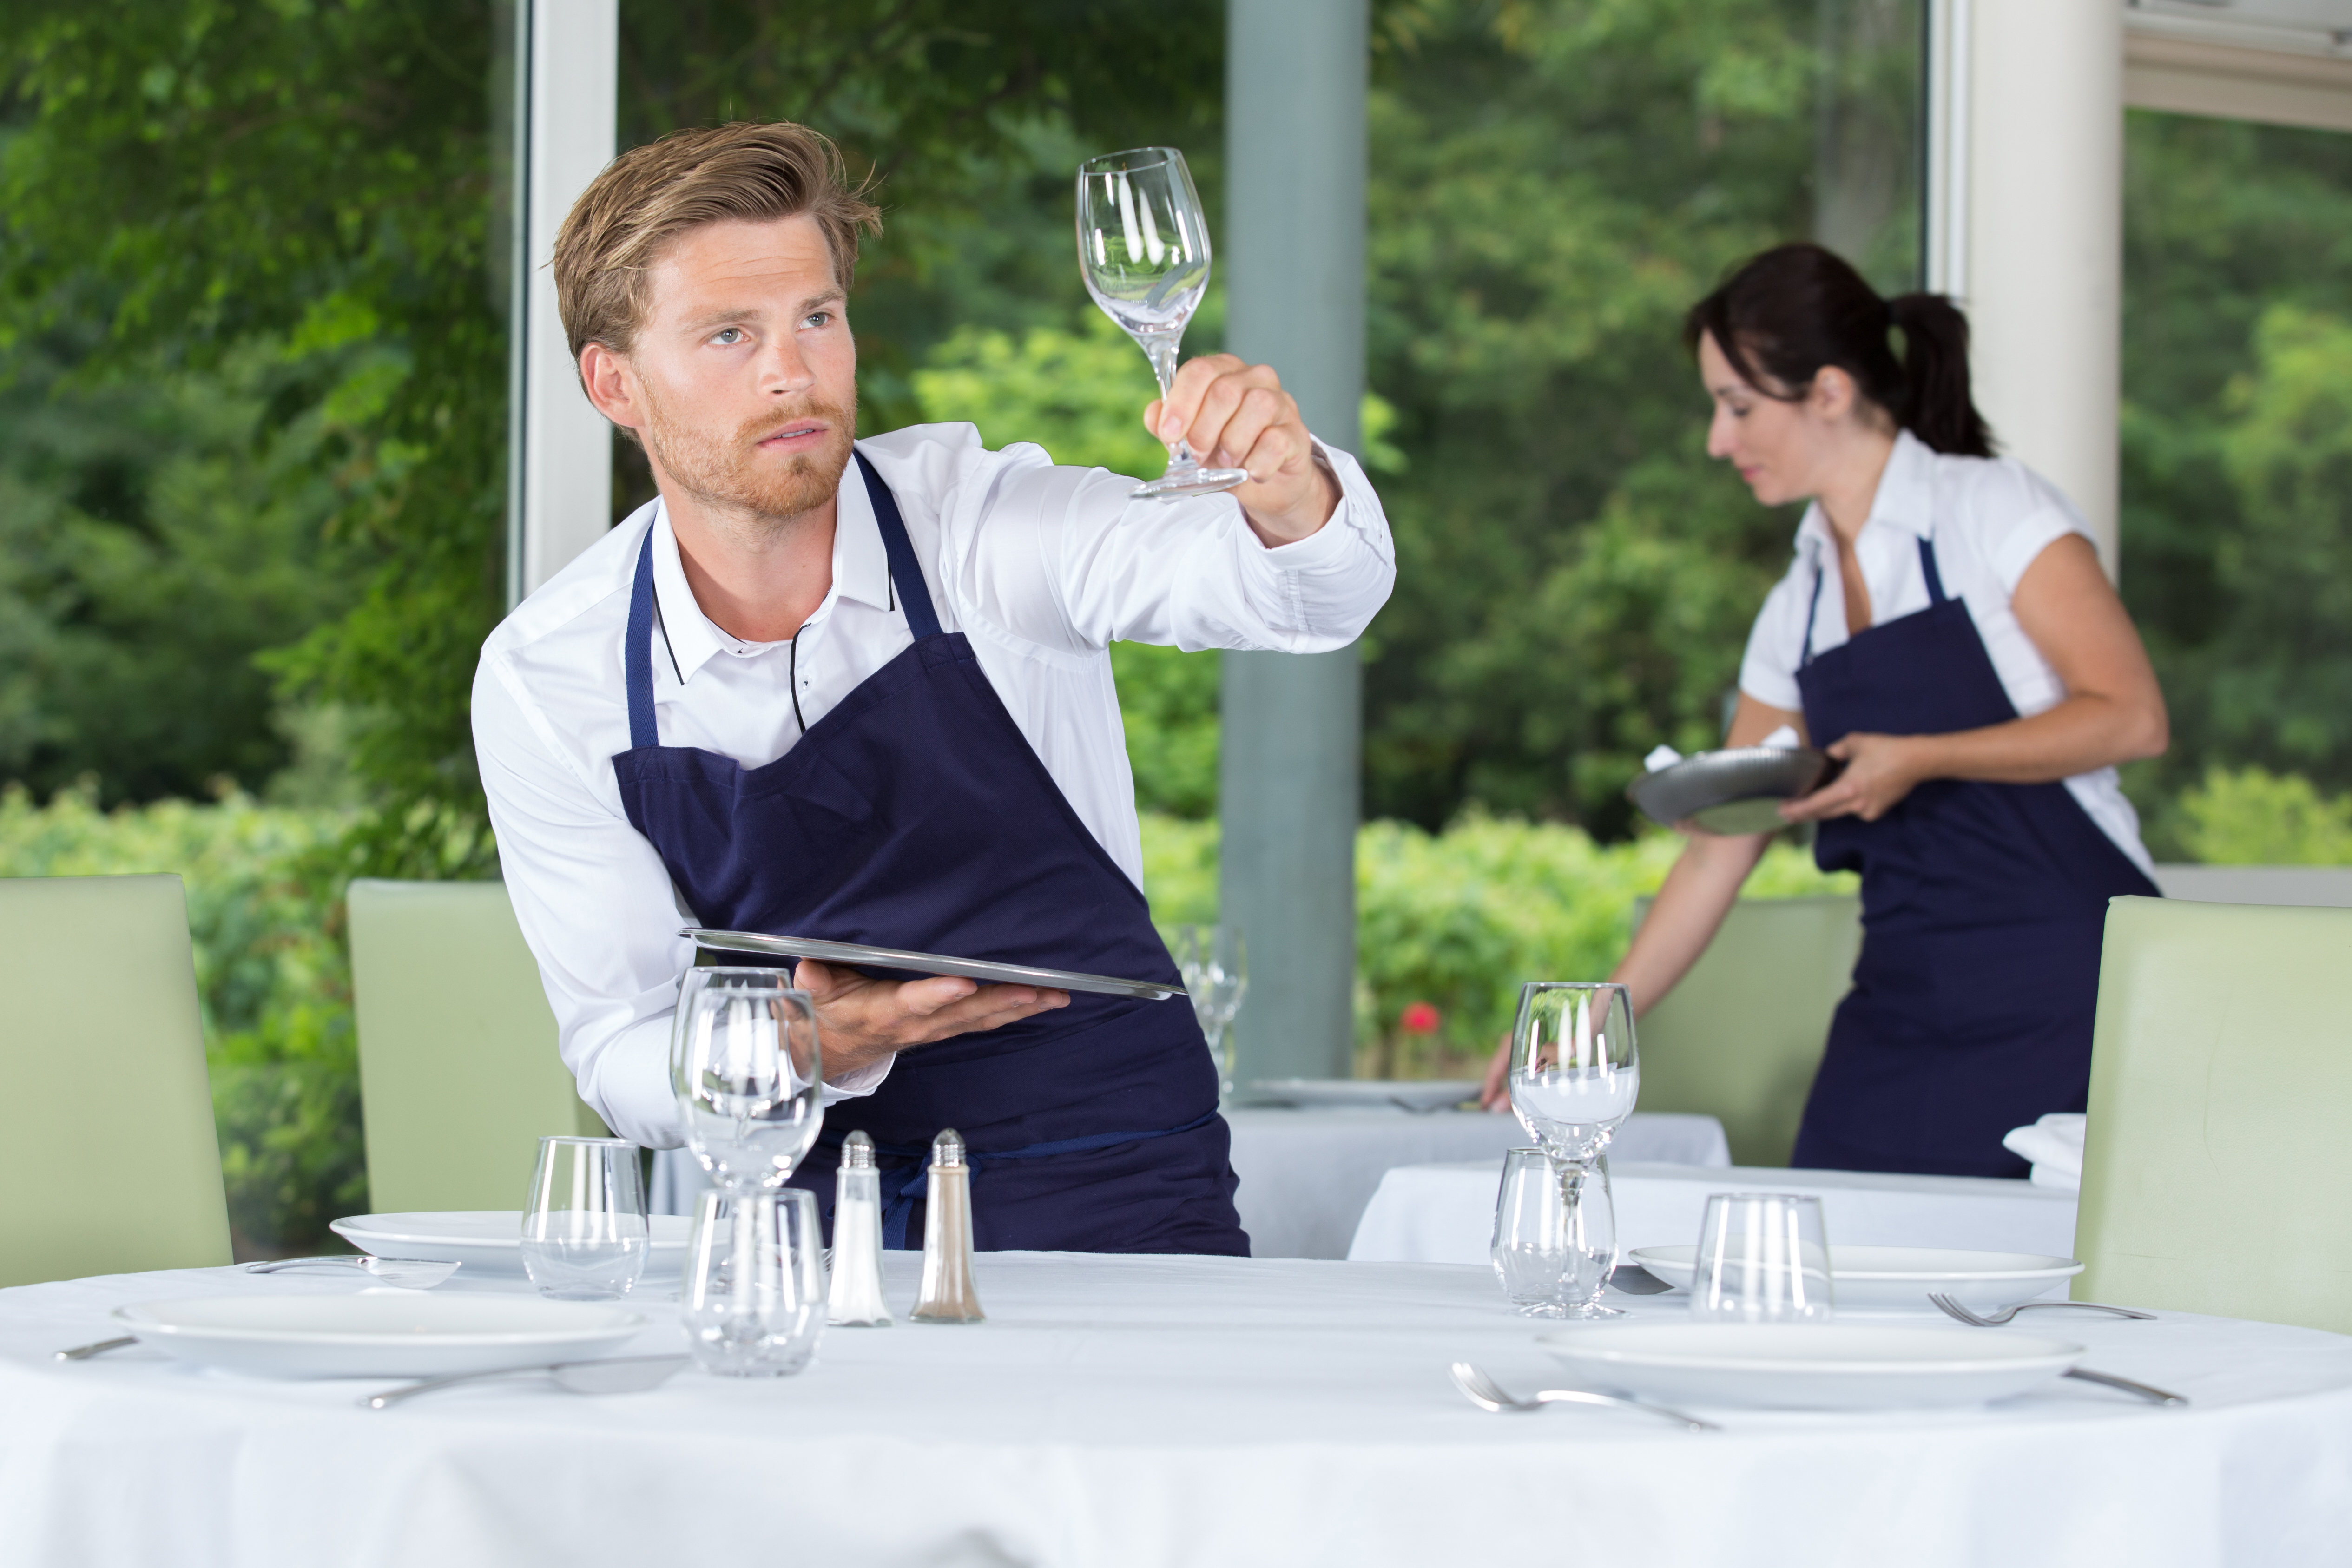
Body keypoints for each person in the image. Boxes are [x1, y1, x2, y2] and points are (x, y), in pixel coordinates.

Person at [473, 121, 1395, 1252]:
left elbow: (1306, 593)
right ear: (613, 383)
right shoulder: (549, 676)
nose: (791, 370)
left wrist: (1288, 495)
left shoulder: (981, 525)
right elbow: (619, 1045)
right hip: (797, 1225)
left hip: (1111, 1190)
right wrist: (804, 1047)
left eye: (817, 316)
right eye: (728, 334)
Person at [1480, 243, 2168, 1180]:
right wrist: (1600, 1011)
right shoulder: (1793, 607)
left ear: (1829, 393)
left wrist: (1920, 757)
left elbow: (2129, 718)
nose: (1718, 441)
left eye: (1736, 407)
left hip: (2068, 982)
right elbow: (1723, 836)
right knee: (1826, 1244)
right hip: (1906, 996)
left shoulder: (1991, 512)